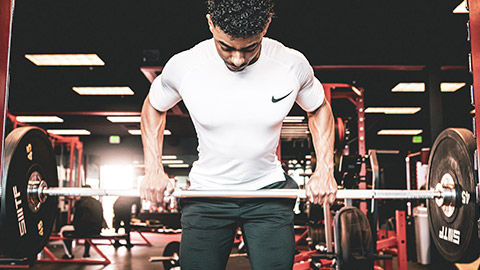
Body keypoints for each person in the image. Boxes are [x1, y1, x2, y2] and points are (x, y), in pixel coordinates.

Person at [140, 0, 337, 269]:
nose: (237, 59)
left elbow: (319, 109)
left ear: (266, 26)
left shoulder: (290, 64)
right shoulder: (186, 66)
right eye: (226, 47)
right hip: (206, 195)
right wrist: (153, 168)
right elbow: (153, 106)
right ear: (210, 24)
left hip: (269, 195)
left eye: (249, 48)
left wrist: (325, 169)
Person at [60, 186, 107, 259]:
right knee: (88, 228)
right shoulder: (97, 203)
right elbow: (101, 218)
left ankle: (68, 254)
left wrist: (73, 226)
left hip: (83, 230)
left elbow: (76, 220)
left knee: (63, 231)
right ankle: (86, 253)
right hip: (96, 230)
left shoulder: (79, 203)